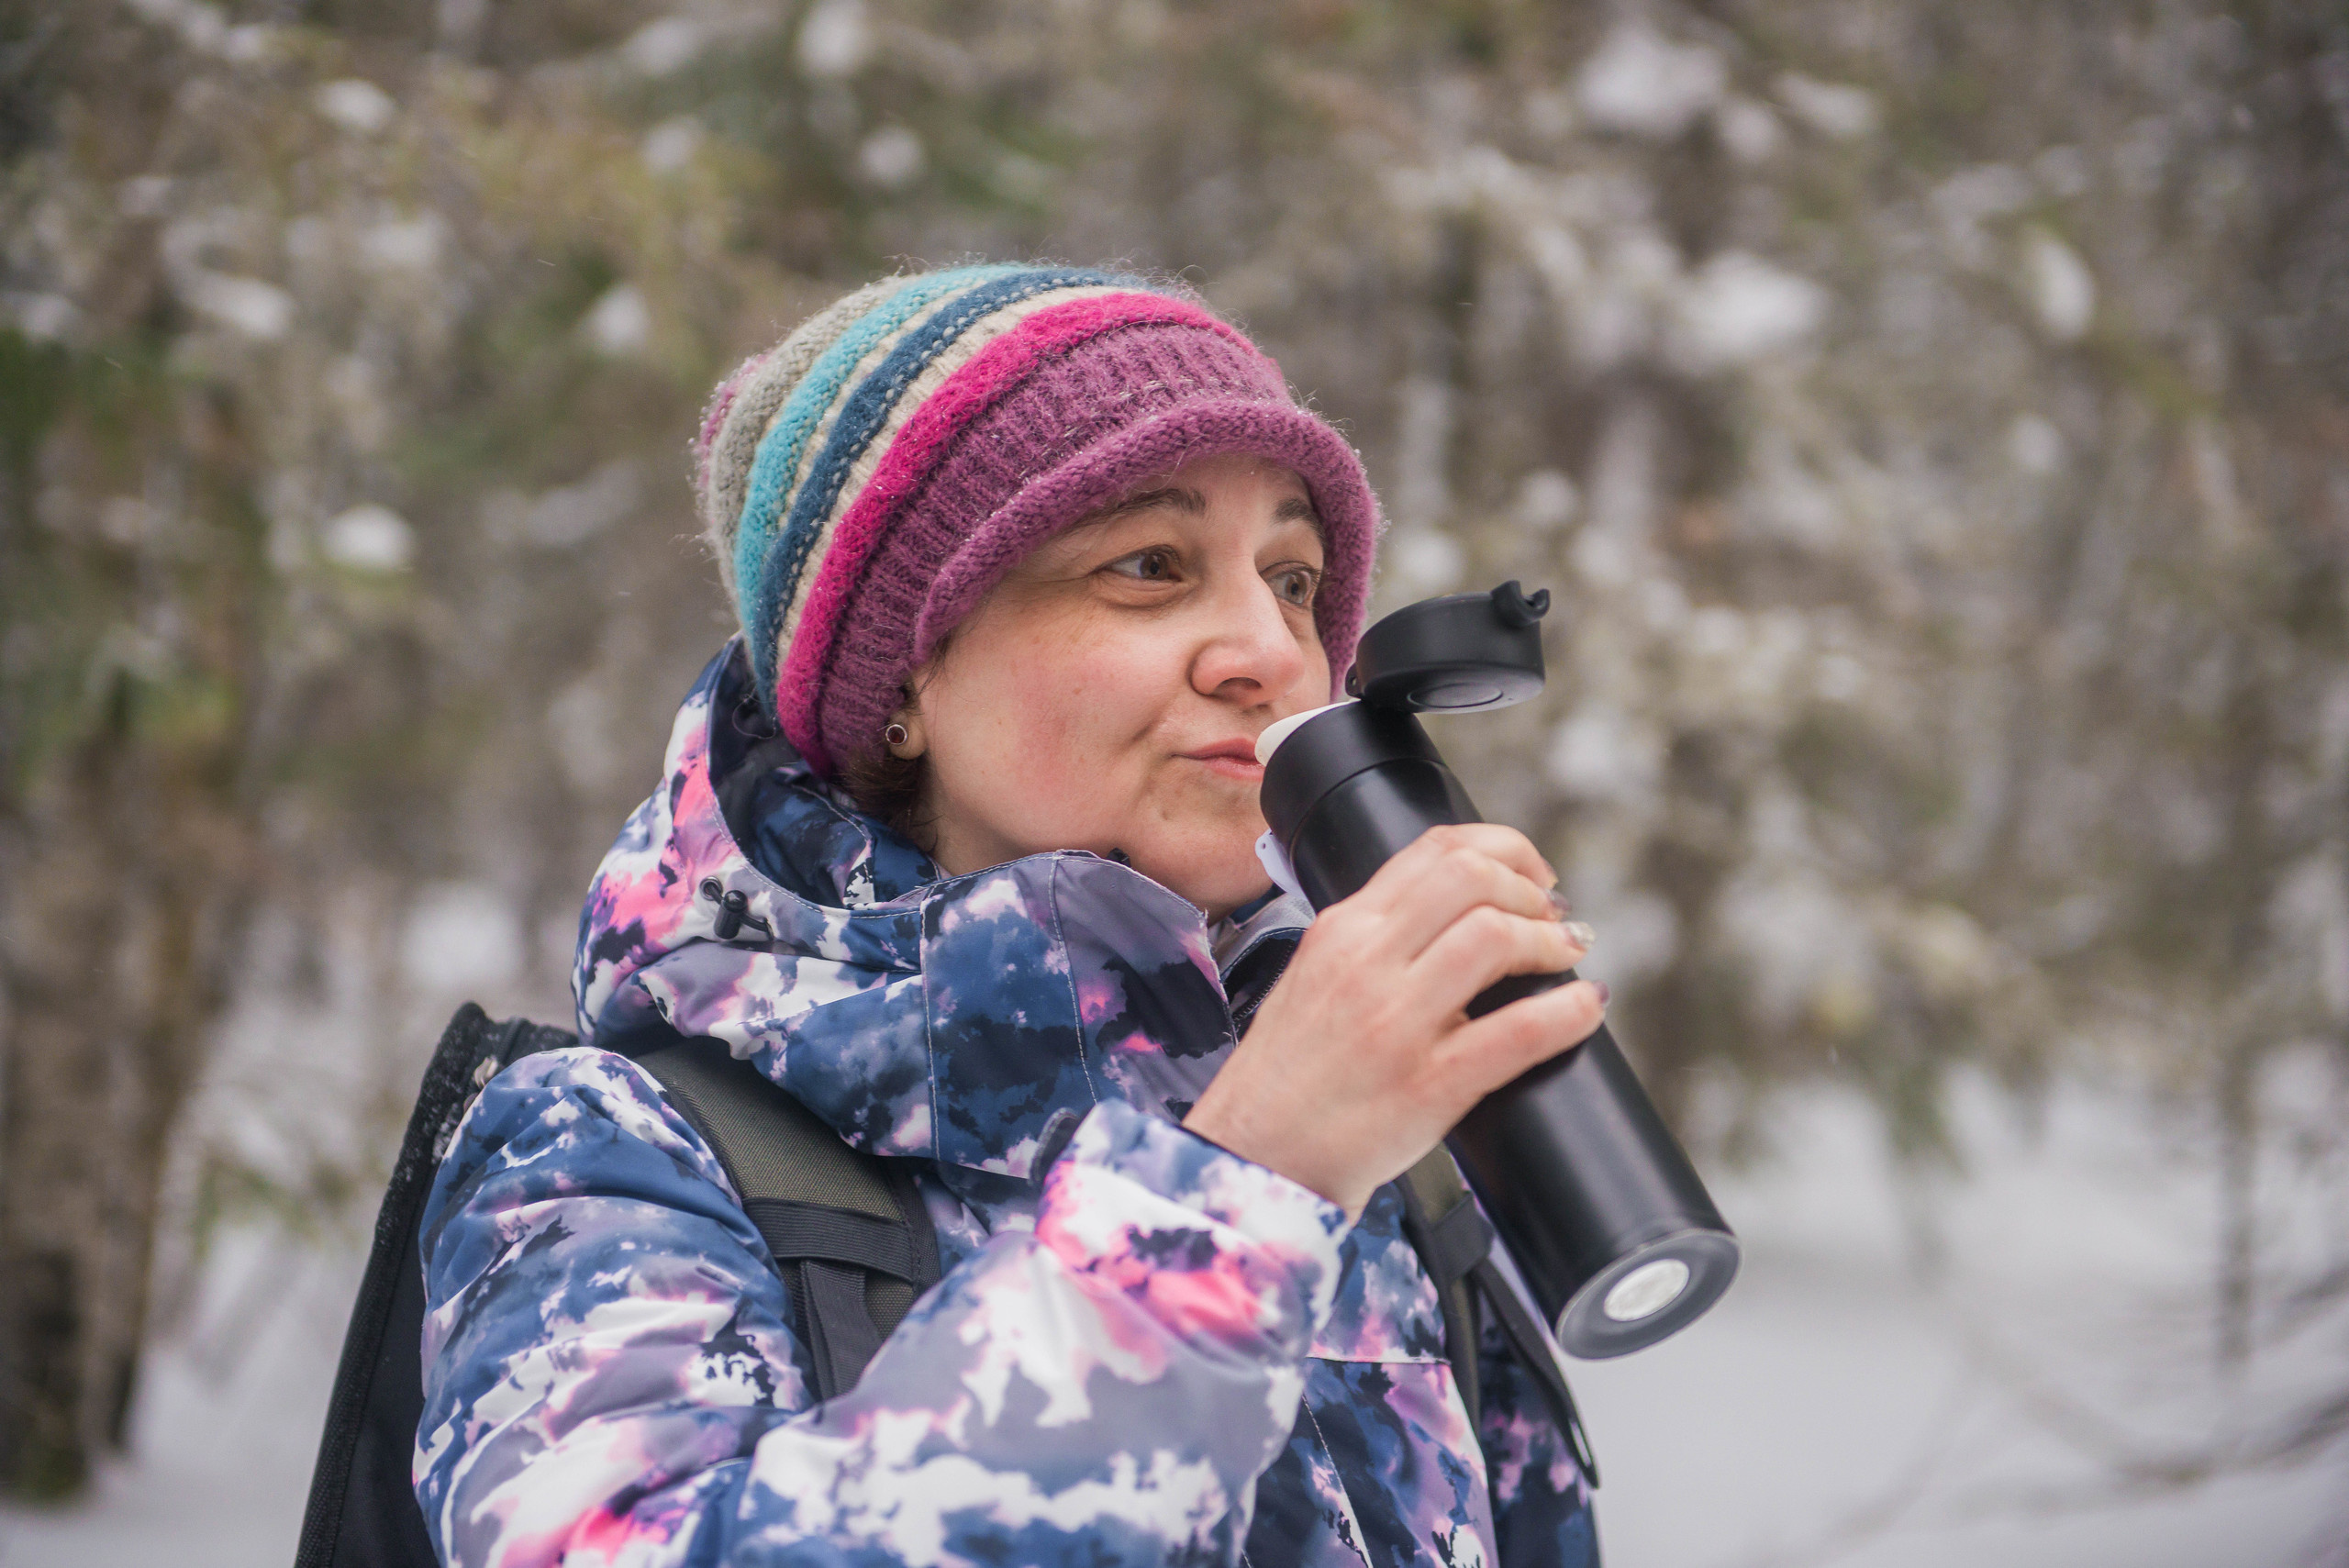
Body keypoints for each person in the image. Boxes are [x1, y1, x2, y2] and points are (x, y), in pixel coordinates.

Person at [415, 263, 1609, 1567]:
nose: (1267, 647)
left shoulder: (1380, 1139)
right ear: (902, 675)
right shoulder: (613, 1148)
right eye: (1150, 566)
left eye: (1295, 578)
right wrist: (1234, 1195)